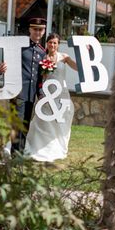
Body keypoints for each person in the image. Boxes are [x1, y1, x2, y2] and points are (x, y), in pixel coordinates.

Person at [25, 33, 78, 162]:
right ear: (46, 43)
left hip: (61, 93)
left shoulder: (64, 57)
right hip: (48, 93)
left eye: (55, 43)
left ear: (58, 44)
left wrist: (84, 56)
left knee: (62, 118)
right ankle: (40, 146)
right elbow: (40, 78)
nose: (52, 45)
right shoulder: (42, 57)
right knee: (44, 119)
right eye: (50, 42)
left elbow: (76, 67)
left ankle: (59, 145)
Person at [0, 17, 46, 153]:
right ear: (30, 30)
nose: (37, 32)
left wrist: (40, 94)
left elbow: (39, 77)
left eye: (40, 30)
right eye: (35, 29)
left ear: (43, 31)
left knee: (25, 127)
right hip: (17, 92)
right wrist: (1, 69)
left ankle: (19, 155)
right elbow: (6, 64)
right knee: (17, 125)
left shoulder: (42, 52)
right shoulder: (20, 46)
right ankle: (15, 155)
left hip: (31, 95)